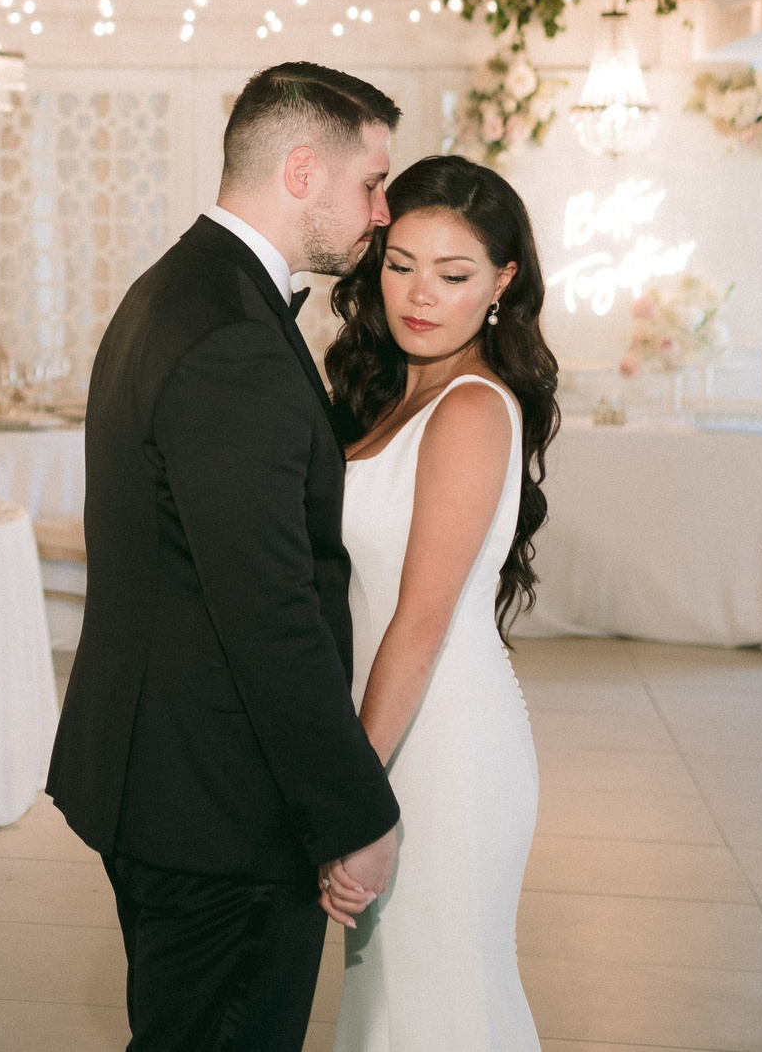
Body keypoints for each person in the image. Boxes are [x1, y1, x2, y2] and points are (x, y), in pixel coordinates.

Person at [48, 61, 407, 1051]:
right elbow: (268, 610)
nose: (382, 211)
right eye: (371, 181)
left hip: (162, 776)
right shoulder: (232, 337)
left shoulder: (180, 287)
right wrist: (353, 810)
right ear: (302, 169)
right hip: (218, 805)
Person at [317, 155, 557, 1052]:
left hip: (446, 751)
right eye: (400, 263)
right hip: (396, 729)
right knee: (397, 1010)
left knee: (439, 1006)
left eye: (453, 275)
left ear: (501, 282)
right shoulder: (391, 394)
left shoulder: (468, 408)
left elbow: (417, 626)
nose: (420, 295)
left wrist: (353, 798)